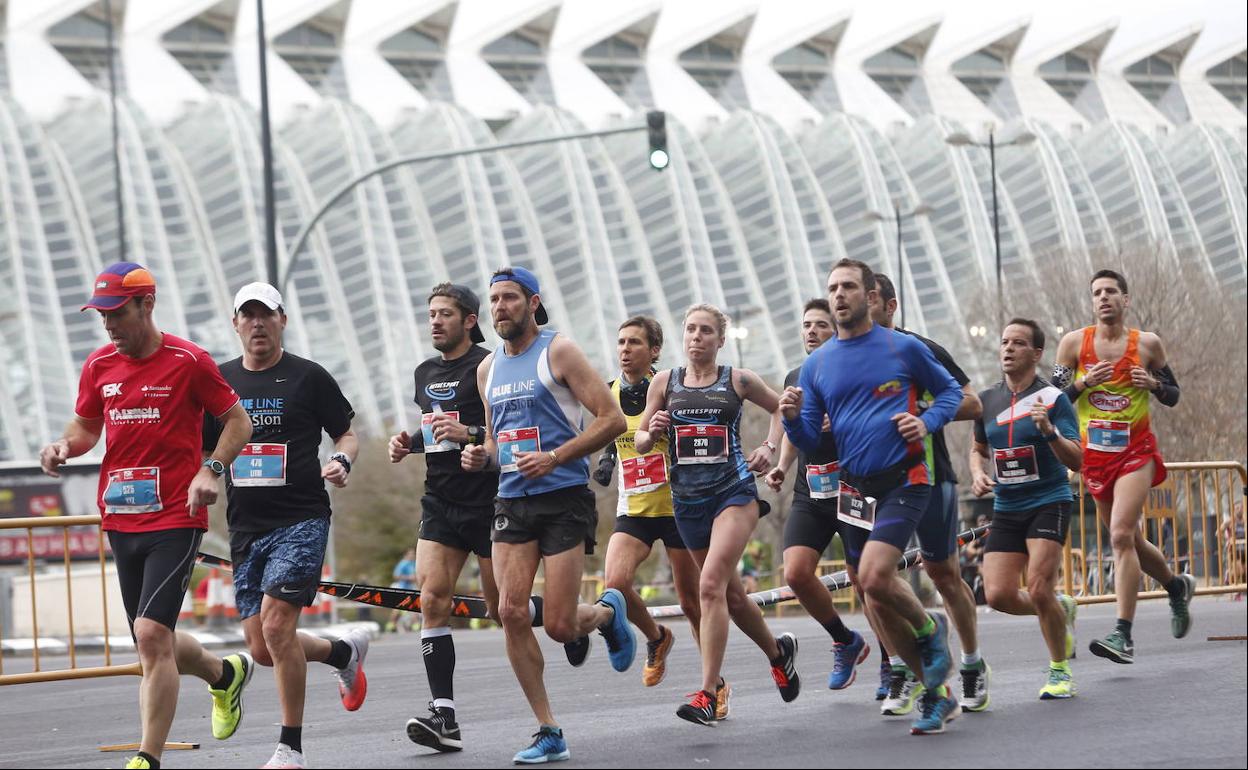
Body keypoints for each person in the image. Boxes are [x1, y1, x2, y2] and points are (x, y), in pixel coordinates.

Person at [39, 262, 253, 770]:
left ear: (146, 304)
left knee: (152, 636)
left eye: (117, 313)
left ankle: (147, 757)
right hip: (121, 517)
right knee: (148, 635)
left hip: (177, 517)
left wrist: (211, 470)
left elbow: (237, 422)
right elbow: (86, 428)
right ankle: (224, 676)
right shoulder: (98, 365)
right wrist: (62, 446)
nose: (109, 325)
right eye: (102, 316)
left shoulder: (189, 359)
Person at [461, 266, 634, 764]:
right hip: (511, 500)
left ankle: (605, 613)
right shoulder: (486, 369)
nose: (500, 308)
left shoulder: (558, 351)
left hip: (563, 496)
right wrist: (480, 454)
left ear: (533, 303)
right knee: (511, 612)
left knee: (559, 625)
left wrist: (556, 457)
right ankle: (547, 728)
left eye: (510, 298)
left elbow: (612, 419)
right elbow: (496, 442)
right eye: (494, 300)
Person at [781, 259, 961, 736]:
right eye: (833, 288)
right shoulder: (817, 365)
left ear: (868, 295)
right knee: (875, 599)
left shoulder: (903, 348)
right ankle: (937, 695)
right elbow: (813, 440)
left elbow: (951, 395)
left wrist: (926, 422)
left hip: (905, 478)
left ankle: (930, 630)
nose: (839, 295)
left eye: (848, 287)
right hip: (854, 489)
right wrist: (792, 418)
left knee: (877, 576)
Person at [206, 282, 368, 769]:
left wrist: (341, 460)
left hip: (301, 518)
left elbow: (346, 433)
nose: (257, 323)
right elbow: (200, 449)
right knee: (261, 647)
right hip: (246, 528)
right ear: (235, 324)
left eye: (266, 314)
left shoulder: (307, 377)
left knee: (278, 626)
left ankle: (289, 748)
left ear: (282, 320)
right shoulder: (219, 381)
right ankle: (342, 653)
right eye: (247, 315)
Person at [635, 303, 798, 727]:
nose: (696, 337)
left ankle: (708, 693)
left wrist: (769, 446)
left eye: (706, 331)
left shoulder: (738, 380)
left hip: (734, 494)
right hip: (687, 503)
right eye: (690, 329)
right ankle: (779, 654)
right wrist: (650, 431)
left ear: (720, 340)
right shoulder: (665, 382)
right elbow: (638, 440)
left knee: (709, 587)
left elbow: (780, 408)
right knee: (731, 597)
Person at [1053, 269, 1194, 663]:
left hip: (1137, 452)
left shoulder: (1146, 345)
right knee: (1130, 540)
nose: (1103, 298)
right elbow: (1053, 397)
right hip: (1094, 458)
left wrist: (1154, 386)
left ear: (1125, 300)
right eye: (1097, 292)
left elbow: (1174, 395)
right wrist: (1083, 385)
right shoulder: (1073, 345)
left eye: (1111, 292)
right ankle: (1175, 587)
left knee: (1118, 535)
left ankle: (1123, 634)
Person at [388, 282, 504, 753]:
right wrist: (409, 443)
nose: (434, 321)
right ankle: (445, 716)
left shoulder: (491, 365)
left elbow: (505, 427)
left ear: (470, 320)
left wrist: (473, 433)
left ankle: (586, 620)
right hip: (440, 501)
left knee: (505, 611)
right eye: (431, 313)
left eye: (445, 314)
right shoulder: (423, 372)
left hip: (493, 500)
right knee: (432, 599)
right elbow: (437, 429)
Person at [868, 274, 989, 714]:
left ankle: (972, 661)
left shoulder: (919, 349)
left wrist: (923, 409)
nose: (859, 304)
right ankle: (905, 668)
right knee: (873, 580)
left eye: (871, 298)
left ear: (890, 305)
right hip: (872, 483)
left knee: (942, 573)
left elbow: (973, 404)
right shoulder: (843, 357)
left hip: (929, 475)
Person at [592, 316, 706, 696]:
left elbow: (699, 438)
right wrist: (607, 458)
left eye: (634, 343)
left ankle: (713, 683)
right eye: (621, 342)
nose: (624, 350)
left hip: (677, 509)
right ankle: (657, 637)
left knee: (692, 602)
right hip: (635, 509)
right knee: (617, 585)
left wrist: (670, 432)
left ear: (654, 350)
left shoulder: (674, 388)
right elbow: (611, 431)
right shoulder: (607, 392)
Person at [970, 318, 1082, 700]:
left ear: (1036, 354)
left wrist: (1050, 432)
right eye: (1004, 342)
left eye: (1018, 343)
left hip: (1049, 501)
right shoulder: (986, 401)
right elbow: (979, 449)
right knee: (998, 594)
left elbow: (1078, 459)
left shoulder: (1054, 399)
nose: (1008, 349)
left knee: (1037, 587)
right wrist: (976, 473)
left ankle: (1059, 670)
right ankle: (1057, 608)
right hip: (1007, 505)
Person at [764, 299, 870, 692]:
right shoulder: (796, 376)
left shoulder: (854, 371)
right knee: (795, 573)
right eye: (806, 324)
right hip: (811, 490)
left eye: (820, 325)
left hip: (853, 488)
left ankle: (895, 662)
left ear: (836, 329)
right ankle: (845, 639)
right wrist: (782, 466)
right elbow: (794, 431)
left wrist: (841, 422)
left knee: (866, 581)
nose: (811, 331)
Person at [387, 547, 418, 633]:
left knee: (413, 606)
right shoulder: (402, 564)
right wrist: (408, 578)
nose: (413, 555)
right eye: (411, 554)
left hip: (410, 588)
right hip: (402, 588)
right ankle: (391, 625)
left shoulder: (413, 563)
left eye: (413, 553)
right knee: (397, 608)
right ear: (406, 555)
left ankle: (415, 625)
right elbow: (396, 576)